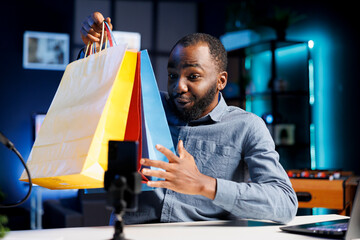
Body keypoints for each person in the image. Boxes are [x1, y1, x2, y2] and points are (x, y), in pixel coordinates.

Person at [80, 12, 298, 224]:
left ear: (221, 81)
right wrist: (94, 50)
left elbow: (285, 203)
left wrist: (203, 184)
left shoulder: (247, 126)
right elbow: (96, 92)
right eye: (173, 76)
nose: (179, 87)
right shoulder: (144, 106)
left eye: (193, 76)